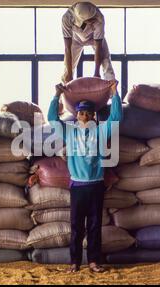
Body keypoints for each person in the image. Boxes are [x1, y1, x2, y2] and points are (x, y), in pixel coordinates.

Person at [48, 80, 122, 273]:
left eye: (88, 113)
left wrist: (114, 93)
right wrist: (56, 96)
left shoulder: (100, 131)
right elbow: (52, 119)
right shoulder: (70, 133)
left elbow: (116, 117)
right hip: (78, 187)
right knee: (76, 226)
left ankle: (93, 262)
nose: (85, 116)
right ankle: (74, 263)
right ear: (77, 115)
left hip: (96, 185)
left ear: (93, 116)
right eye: (81, 113)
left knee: (95, 226)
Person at [62, 1, 115, 84]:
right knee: (67, 69)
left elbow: (99, 47)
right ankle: (63, 92)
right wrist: (69, 74)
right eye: (91, 20)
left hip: (93, 38)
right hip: (76, 39)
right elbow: (67, 48)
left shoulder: (99, 18)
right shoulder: (66, 18)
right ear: (82, 20)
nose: (93, 20)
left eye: (93, 18)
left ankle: (113, 90)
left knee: (106, 60)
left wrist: (97, 73)